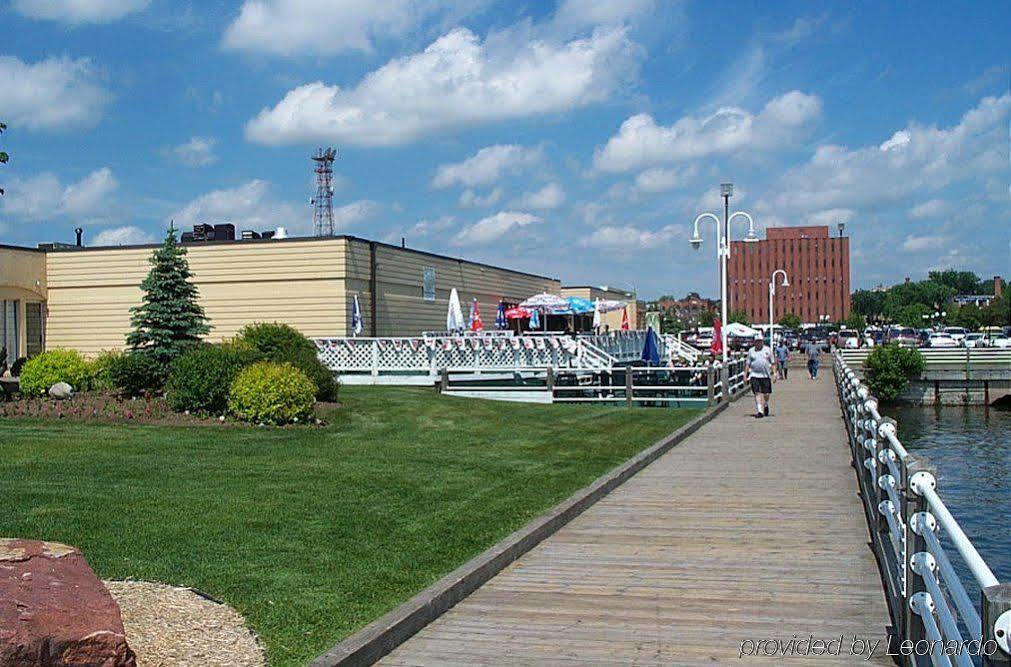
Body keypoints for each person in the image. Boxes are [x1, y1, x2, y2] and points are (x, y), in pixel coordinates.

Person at [745, 337, 776, 418]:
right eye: (757, 341)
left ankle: (766, 404)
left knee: (766, 393)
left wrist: (775, 373)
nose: (758, 343)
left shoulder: (768, 350)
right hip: (754, 375)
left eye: (760, 341)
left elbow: (773, 362)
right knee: (757, 392)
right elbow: (747, 364)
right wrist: (745, 375)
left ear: (762, 342)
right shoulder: (751, 351)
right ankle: (760, 411)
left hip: (765, 375)